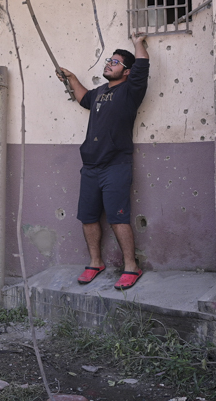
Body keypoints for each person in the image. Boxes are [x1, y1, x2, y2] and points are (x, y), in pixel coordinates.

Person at [57, 33, 150, 290]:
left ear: (127, 71)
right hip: (90, 166)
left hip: (116, 165)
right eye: (109, 60)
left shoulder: (131, 90)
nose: (109, 63)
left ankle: (131, 266)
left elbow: (142, 64)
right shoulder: (99, 93)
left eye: (115, 62)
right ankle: (95, 262)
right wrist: (71, 78)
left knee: (118, 218)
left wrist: (138, 43)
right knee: (88, 217)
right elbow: (83, 98)